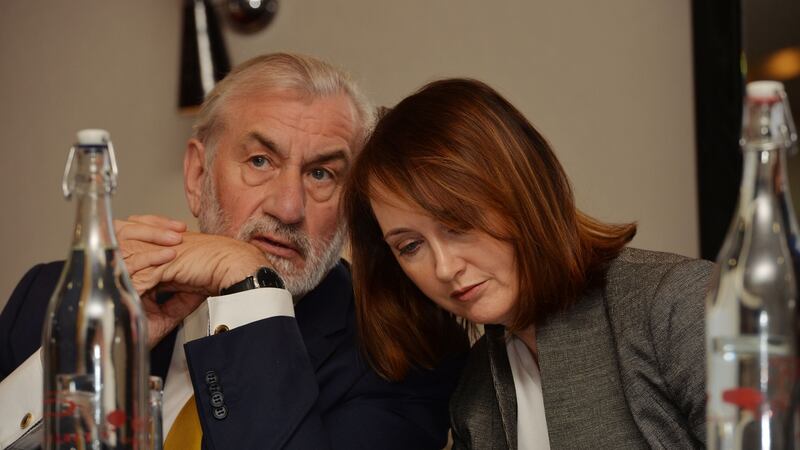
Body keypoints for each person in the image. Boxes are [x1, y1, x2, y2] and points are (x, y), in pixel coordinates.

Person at [0, 53, 467, 449]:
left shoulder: (405, 355)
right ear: (197, 176)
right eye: (260, 161)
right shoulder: (49, 298)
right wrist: (86, 361)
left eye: (322, 174)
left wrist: (249, 283)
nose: (288, 208)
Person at [343, 78, 711, 449]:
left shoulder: (678, 305)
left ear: (520, 193)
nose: (444, 268)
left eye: (457, 225)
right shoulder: (475, 393)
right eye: (409, 246)